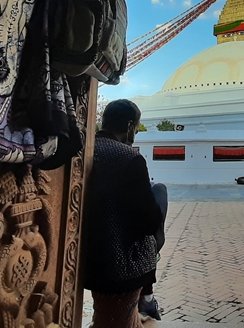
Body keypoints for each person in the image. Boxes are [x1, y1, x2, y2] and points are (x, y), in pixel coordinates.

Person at [83, 99, 164, 327]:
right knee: (159, 193)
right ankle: (147, 297)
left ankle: (143, 303)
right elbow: (147, 221)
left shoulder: (83, 148)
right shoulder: (129, 157)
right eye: (136, 129)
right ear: (130, 126)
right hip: (118, 261)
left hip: (81, 253)